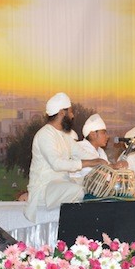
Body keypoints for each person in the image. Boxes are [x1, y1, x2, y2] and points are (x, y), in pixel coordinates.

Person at [25, 93, 106, 221]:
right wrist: (88, 163)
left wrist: (106, 164)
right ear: (62, 112)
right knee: (78, 191)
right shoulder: (45, 134)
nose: (72, 116)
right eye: (71, 112)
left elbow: (82, 153)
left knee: (91, 183)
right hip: (45, 189)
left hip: (61, 184)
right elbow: (57, 164)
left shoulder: (64, 136)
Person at [70, 113, 128, 184]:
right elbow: (92, 176)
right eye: (103, 133)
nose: (107, 136)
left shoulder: (100, 151)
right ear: (93, 134)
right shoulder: (81, 148)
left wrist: (115, 166)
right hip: (78, 188)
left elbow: (106, 169)